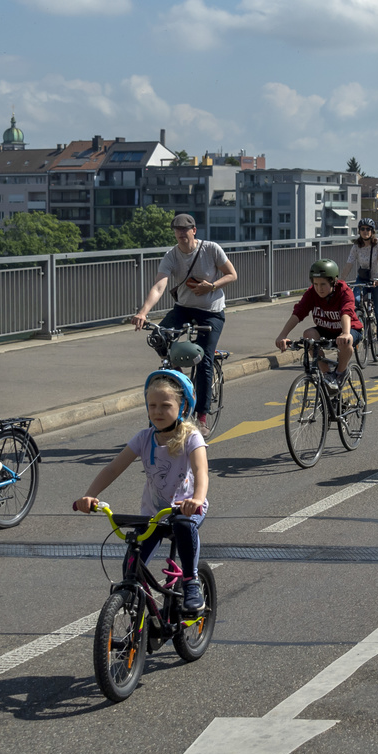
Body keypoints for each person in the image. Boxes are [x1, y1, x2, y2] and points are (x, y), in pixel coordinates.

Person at [72, 370, 208, 613]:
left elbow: (201, 472)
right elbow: (113, 468)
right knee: (132, 567)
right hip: (153, 514)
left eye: (166, 405)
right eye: (152, 405)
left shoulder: (191, 437)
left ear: (183, 406)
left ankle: (191, 581)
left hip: (184, 509)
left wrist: (196, 499)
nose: (157, 411)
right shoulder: (144, 438)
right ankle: (135, 617)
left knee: (184, 525)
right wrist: (90, 494)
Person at [132, 213, 239, 432]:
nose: (181, 233)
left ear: (194, 230)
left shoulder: (211, 249)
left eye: (185, 229)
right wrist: (143, 312)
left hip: (211, 312)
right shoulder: (171, 255)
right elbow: (159, 286)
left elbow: (232, 274)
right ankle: (178, 371)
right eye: (177, 229)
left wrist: (212, 286)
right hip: (184, 308)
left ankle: (201, 417)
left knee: (204, 360)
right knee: (157, 337)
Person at [275, 259, 362, 388]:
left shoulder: (344, 291)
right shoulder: (312, 293)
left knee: (345, 342)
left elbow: (346, 311)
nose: (319, 289)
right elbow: (298, 313)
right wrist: (282, 335)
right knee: (308, 335)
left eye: (323, 284)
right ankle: (327, 374)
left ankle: (340, 373)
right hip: (326, 329)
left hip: (349, 329)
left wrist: (345, 333)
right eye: (315, 284)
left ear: (333, 282)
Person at [342, 218, 378, 357]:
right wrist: (340, 282)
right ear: (359, 231)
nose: (365, 231)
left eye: (368, 229)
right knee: (354, 301)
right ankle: (358, 328)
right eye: (362, 229)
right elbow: (349, 264)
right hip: (362, 278)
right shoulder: (356, 246)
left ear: (372, 231)